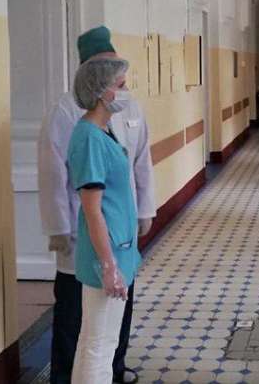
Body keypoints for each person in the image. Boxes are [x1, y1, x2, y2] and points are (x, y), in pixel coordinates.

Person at [38, 26, 156, 384]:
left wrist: (145, 209)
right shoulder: (67, 113)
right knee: (79, 319)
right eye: (114, 76)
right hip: (88, 235)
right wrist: (58, 228)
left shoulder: (127, 107)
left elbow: (141, 161)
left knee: (109, 322)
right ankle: (64, 375)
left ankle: (114, 371)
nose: (122, 85)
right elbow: (52, 173)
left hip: (117, 233)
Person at [67, 56, 142, 383]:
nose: (126, 91)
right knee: (97, 345)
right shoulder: (88, 138)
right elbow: (92, 208)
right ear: (101, 92)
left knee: (103, 342)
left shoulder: (104, 131)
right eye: (121, 85)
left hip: (118, 248)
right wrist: (108, 266)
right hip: (105, 255)